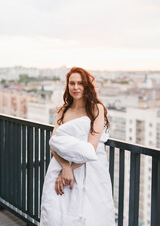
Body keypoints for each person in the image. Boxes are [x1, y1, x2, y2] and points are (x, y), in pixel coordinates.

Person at [39, 67, 115, 226]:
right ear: (67, 86)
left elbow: (91, 148)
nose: (75, 87)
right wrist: (65, 167)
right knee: (56, 214)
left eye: (80, 83)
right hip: (59, 167)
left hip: (89, 170)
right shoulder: (62, 111)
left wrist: (69, 169)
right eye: (71, 83)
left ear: (87, 85)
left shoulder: (96, 109)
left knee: (90, 215)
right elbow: (53, 143)